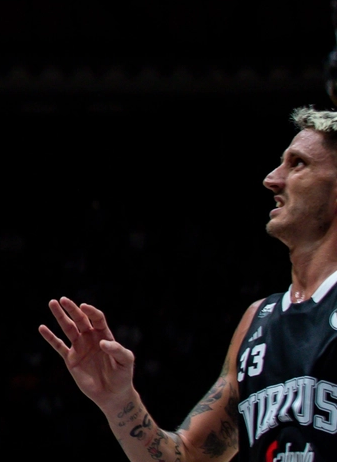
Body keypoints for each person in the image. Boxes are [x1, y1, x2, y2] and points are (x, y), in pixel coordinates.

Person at [40, 106, 337, 462]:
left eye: (297, 164)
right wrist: (120, 402)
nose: (272, 179)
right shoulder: (258, 321)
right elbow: (191, 455)